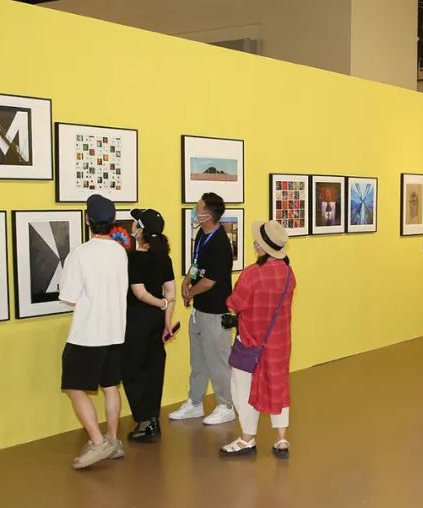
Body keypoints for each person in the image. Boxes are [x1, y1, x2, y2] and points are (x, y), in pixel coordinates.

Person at [59, 194, 129, 470]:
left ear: (87, 219)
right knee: (110, 385)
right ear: (112, 221)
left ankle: (98, 443)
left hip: (87, 334)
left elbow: (69, 295)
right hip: (115, 331)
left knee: (74, 387)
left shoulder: (80, 253)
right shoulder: (119, 251)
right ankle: (112, 440)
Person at [219, 221, 297, 458]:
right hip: (279, 343)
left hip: (251, 341)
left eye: (257, 242)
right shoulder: (288, 273)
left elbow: (234, 303)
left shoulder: (252, 274)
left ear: (263, 248)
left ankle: (247, 438)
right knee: (278, 385)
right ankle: (281, 439)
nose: (254, 244)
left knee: (242, 388)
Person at [169, 192, 237, 425]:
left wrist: (190, 292)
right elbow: (197, 264)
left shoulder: (220, 243)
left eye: (198, 208)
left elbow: (210, 282)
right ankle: (195, 403)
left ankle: (226, 406)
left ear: (208, 215)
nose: (194, 211)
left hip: (216, 312)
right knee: (198, 361)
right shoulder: (201, 234)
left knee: (218, 362)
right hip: (199, 310)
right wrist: (187, 280)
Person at [122, 209, 175, 442]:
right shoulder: (164, 257)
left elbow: (140, 293)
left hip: (137, 319)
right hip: (156, 320)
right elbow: (171, 291)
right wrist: (167, 320)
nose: (132, 226)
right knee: (154, 368)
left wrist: (161, 304)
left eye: (135, 223)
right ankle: (153, 419)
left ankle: (144, 422)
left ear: (140, 231)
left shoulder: (134, 258)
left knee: (133, 369)